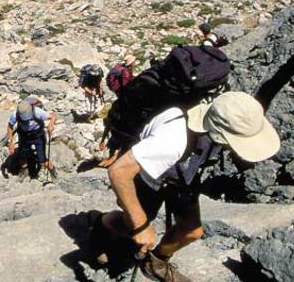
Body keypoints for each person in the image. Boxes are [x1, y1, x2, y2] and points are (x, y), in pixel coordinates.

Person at [90, 91, 280, 282]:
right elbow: (118, 171)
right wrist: (141, 226)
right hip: (151, 178)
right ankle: (100, 224)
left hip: (182, 177)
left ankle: (156, 263)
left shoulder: (211, 121)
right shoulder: (172, 140)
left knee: (192, 231)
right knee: (128, 225)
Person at [6, 96, 56, 177]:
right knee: (22, 157)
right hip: (24, 135)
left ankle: (52, 169)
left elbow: (53, 116)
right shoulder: (15, 114)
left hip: (38, 135)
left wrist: (51, 124)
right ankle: (24, 171)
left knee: (42, 161)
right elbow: (10, 126)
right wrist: (10, 141)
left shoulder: (38, 112)